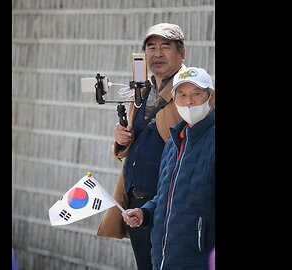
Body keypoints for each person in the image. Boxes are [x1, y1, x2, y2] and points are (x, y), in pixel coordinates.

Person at [97, 22, 186, 270]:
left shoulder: (190, 91)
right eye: (151, 47)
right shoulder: (143, 90)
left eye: (165, 47)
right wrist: (120, 139)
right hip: (137, 203)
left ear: (182, 53)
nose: (157, 53)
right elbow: (136, 137)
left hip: (170, 202)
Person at [122, 66, 215, 270]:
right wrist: (145, 212)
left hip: (201, 261)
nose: (188, 101)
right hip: (164, 259)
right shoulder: (174, 141)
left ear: (212, 98)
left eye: (196, 94)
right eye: (181, 94)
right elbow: (168, 194)